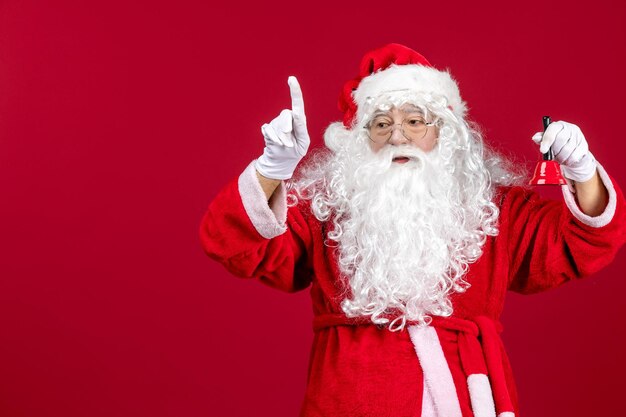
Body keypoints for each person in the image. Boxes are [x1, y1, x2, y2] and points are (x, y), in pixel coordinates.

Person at [199, 43, 626, 417]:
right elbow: (231, 242)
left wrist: (582, 170)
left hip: (465, 395)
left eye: (416, 120)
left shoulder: (492, 207)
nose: (398, 135)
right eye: (381, 123)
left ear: (445, 131)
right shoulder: (327, 209)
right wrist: (271, 171)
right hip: (348, 400)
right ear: (360, 138)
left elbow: (583, 243)